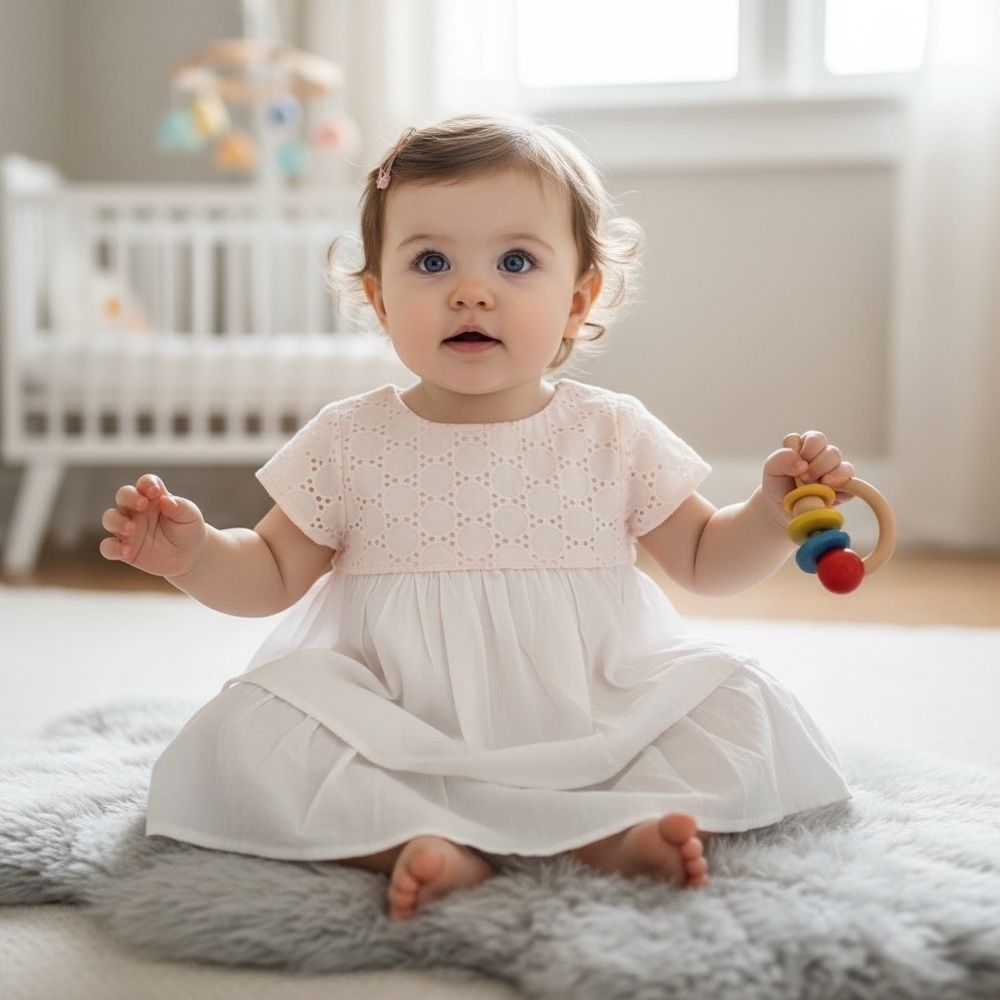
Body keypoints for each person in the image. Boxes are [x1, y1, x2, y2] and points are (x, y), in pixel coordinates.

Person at [101, 114, 853, 921]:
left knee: (738, 698)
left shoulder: (611, 432)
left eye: (515, 262)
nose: (471, 291)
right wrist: (196, 556)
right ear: (380, 299)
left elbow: (707, 559)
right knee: (247, 727)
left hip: (591, 721)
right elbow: (273, 573)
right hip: (397, 726)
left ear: (578, 299)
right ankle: (413, 837)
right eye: (431, 262)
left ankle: (606, 836)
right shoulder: (349, 439)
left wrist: (772, 513)